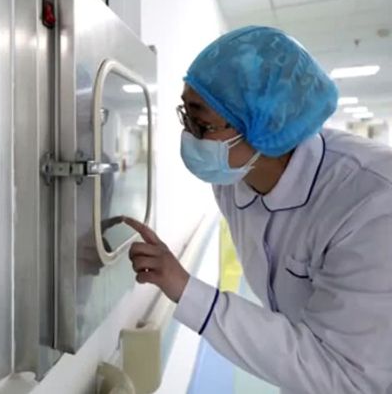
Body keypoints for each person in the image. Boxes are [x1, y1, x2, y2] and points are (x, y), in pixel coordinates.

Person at [127, 26, 392, 393]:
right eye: (185, 116)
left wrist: (186, 290)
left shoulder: (372, 204)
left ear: (266, 123)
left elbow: (347, 376)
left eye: (201, 124)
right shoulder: (231, 178)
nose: (189, 136)